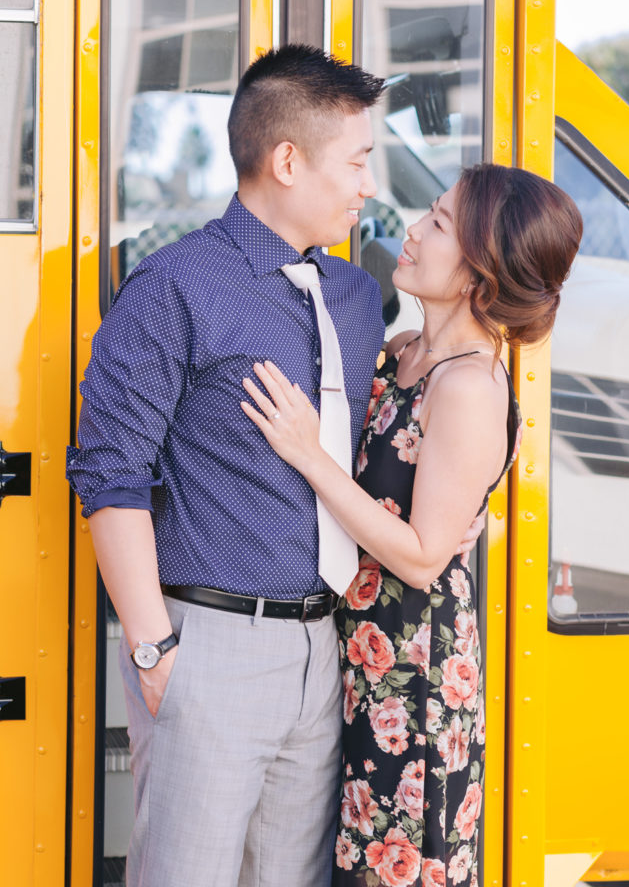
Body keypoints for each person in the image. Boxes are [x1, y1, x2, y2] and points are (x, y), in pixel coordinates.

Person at [66, 44, 388, 887]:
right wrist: (152, 650)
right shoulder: (174, 286)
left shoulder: (354, 300)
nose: (368, 186)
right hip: (206, 647)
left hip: (326, 653)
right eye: (357, 161)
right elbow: (110, 472)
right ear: (288, 160)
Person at [241, 163, 583, 887]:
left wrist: (308, 456)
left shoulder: (465, 385)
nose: (412, 230)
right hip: (367, 654)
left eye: (437, 223)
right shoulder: (406, 354)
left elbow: (425, 559)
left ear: (477, 275)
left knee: (392, 867)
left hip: (413, 674)